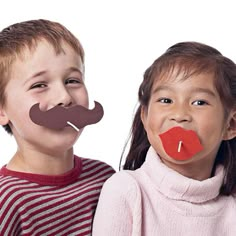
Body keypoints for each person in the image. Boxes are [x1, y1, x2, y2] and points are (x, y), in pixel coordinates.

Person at [92, 42, 236, 235]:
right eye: (166, 100)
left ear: (231, 125)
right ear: (145, 116)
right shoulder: (125, 191)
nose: (179, 114)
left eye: (199, 102)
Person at [0, 19, 115, 235]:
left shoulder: (105, 178)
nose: (64, 97)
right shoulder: (6, 201)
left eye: (72, 81)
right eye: (39, 85)